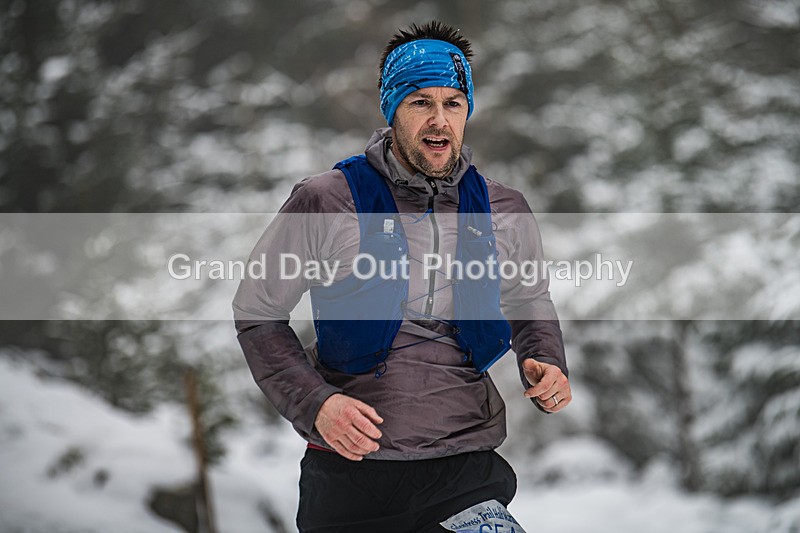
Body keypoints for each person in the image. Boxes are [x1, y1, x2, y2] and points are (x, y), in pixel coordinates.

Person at [233, 21, 571, 533]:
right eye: (420, 103)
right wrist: (315, 404)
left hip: (464, 470)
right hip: (350, 478)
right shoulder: (327, 200)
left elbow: (529, 297)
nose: (439, 121)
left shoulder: (504, 208)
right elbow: (258, 311)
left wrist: (543, 356)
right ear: (392, 109)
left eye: (453, 103)